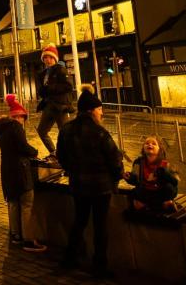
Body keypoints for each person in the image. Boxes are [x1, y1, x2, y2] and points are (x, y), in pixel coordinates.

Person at [57, 84, 124, 278]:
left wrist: (73, 170)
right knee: (100, 226)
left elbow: (61, 156)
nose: (102, 113)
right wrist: (117, 176)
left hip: (78, 185)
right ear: (91, 110)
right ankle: (99, 266)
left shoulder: (66, 130)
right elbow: (115, 159)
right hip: (101, 188)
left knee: (79, 221)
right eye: (100, 109)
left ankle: (70, 259)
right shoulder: (100, 132)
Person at [0, 94, 47, 253]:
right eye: (23, 118)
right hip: (20, 170)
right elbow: (23, 146)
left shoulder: (2, 128)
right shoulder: (16, 127)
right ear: (18, 116)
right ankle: (29, 240)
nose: (24, 121)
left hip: (7, 170)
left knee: (13, 203)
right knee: (26, 204)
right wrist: (34, 151)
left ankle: (16, 235)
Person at [35, 44, 76, 160]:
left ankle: (70, 156)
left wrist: (51, 89)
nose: (48, 60)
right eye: (45, 57)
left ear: (55, 58)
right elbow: (43, 90)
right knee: (41, 131)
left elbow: (68, 86)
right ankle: (54, 152)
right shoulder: (43, 74)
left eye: (50, 57)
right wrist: (42, 91)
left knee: (65, 133)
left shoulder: (60, 70)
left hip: (61, 106)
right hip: (49, 105)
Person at [124, 135, 180, 212]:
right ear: (143, 149)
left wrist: (162, 173)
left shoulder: (165, 164)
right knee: (133, 193)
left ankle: (158, 204)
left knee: (169, 188)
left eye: (154, 143)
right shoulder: (138, 162)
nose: (150, 145)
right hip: (146, 192)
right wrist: (129, 178)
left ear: (160, 149)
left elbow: (175, 182)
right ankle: (160, 205)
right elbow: (135, 180)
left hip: (160, 192)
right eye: (147, 143)